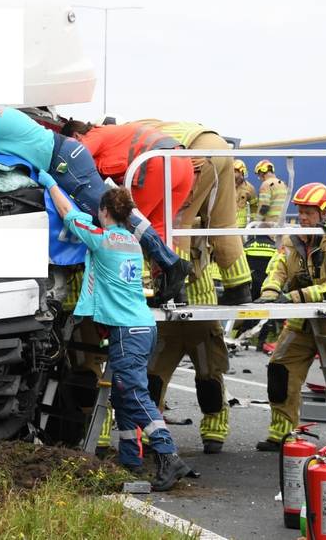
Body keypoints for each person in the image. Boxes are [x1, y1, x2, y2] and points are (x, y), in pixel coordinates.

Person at [0, 107, 193, 303]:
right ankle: (170, 264)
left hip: (63, 161)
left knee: (113, 216)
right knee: (112, 216)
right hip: (62, 158)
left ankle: (171, 263)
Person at [40, 171, 192, 490]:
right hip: (143, 327)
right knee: (122, 397)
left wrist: (50, 182)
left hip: (126, 330)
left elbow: (67, 213)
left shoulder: (102, 239)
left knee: (132, 393)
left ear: (105, 212)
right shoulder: (132, 242)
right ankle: (130, 458)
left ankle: (168, 454)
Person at [255, 182, 326, 451]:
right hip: (301, 320)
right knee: (280, 370)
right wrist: (270, 293)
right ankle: (281, 433)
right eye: (300, 212)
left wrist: (294, 297)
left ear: (324, 213)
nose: (303, 218)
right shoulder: (292, 240)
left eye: (308, 212)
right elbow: (277, 269)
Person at [59, 118, 197, 303]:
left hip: (155, 163)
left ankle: (134, 289)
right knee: (158, 228)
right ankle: (174, 289)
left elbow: (73, 159)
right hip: (182, 163)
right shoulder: (115, 134)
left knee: (127, 226)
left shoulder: (93, 135)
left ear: (76, 136)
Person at [132, 119, 253, 305]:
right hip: (218, 145)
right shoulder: (148, 126)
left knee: (176, 222)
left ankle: (176, 288)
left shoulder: (126, 141)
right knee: (223, 222)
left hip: (194, 153)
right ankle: (239, 288)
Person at [147, 259, 232, 454]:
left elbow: (227, 250)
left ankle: (214, 431)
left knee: (209, 378)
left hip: (201, 312)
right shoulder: (154, 239)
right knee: (152, 379)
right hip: (165, 315)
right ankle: (150, 430)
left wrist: (238, 288)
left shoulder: (198, 235)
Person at [254, 160, 288, 225]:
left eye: (258, 175)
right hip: (282, 223)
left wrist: (256, 222)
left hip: (269, 224)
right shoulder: (283, 184)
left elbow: (264, 207)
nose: (259, 178)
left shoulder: (266, 184)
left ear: (261, 172)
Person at [235, 159, 258, 228]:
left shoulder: (249, 188)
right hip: (227, 226)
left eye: (243, 172)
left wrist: (253, 222)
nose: (242, 175)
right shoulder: (226, 186)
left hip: (241, 227)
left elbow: (254, 206)